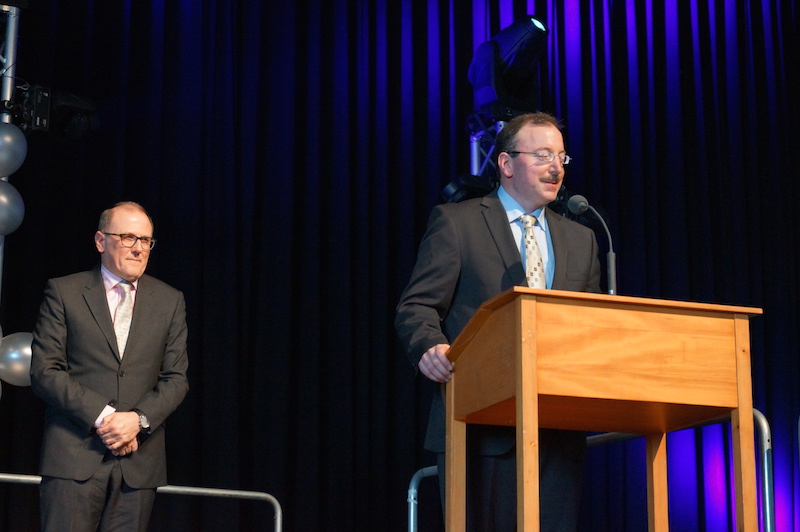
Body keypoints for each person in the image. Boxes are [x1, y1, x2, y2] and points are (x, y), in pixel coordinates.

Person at [395, 112, 601, 531]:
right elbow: (416, 306)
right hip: (479, 430)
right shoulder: (458, 223)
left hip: (558, 433)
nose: (556, 167)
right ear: (506, 163)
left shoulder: (583, 239)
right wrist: (430, 346)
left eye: (561, 156)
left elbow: (591, 326)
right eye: (542, 155)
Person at [30, 201, 189, 532]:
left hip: (138, 463)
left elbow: (176, 379)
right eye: (128, 237)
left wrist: (137, 421)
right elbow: (45, 371)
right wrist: (105, 418)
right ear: (101, 241)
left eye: (145, 240)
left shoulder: (170, 300)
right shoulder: (64, 291)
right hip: (74, 456)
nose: (138, 248)